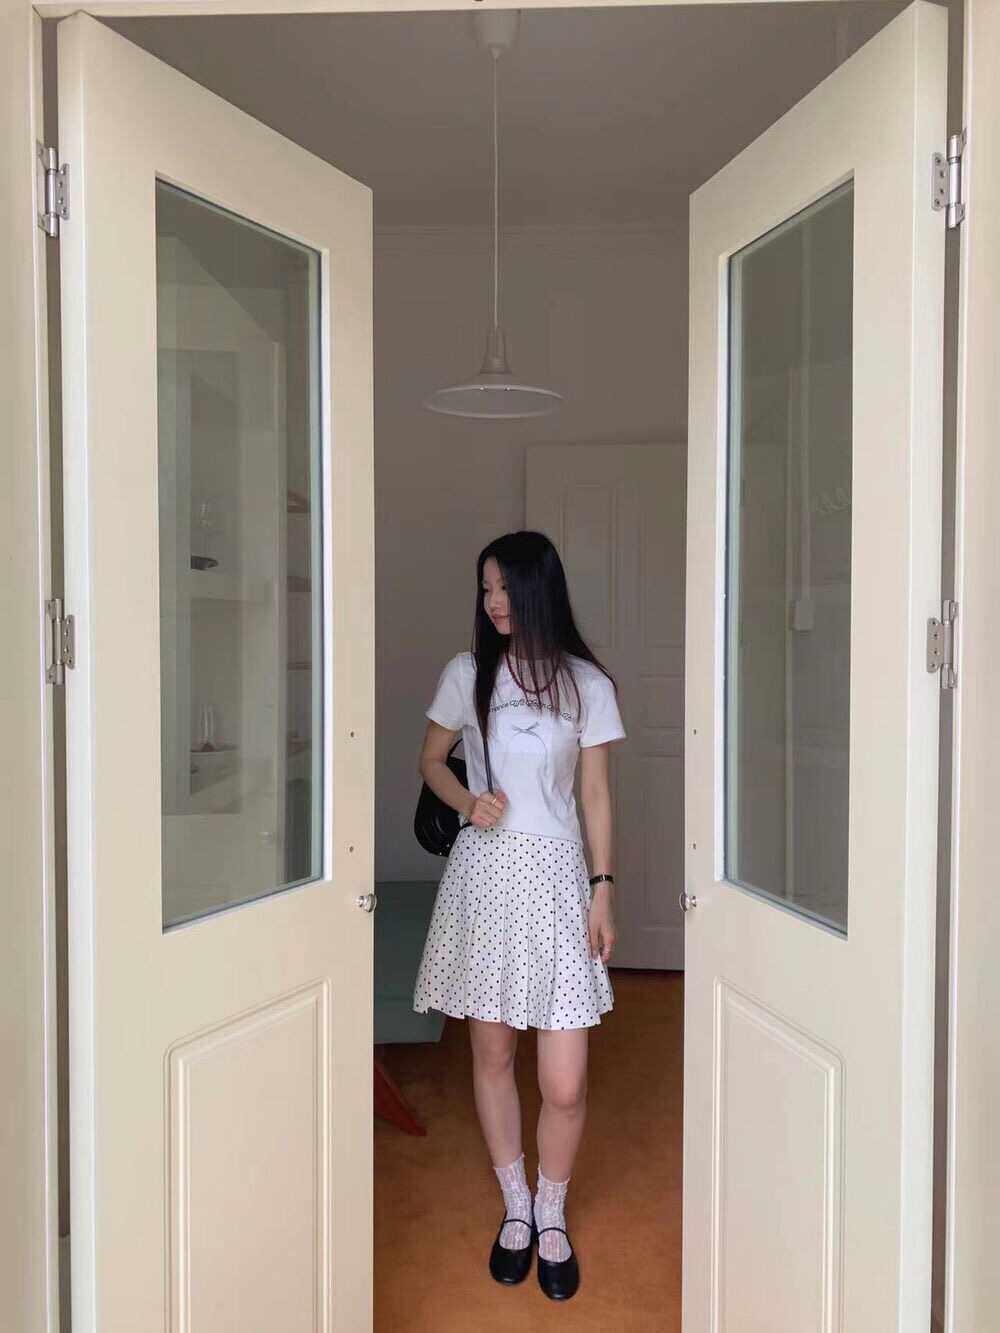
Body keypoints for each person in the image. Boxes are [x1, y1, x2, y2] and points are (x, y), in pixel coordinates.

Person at [413, 530, 626, 1302]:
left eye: (504, 586)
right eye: (486, 589)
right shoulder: (467, 672)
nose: (493, 602)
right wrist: (469, 799)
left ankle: (553, 1209)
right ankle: (517, 1208)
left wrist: (604, 885)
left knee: (564, 1082)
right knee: (494, 1054)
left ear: (539, 587)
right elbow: (430, 759)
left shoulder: (586, 684)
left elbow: (594, 793)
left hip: (560, 883)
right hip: (486, 880)